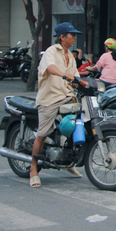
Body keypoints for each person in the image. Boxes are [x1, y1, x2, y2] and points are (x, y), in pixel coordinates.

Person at [30, 22, 83, 188]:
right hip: (50, 98)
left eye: (75, 35)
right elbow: (50, 68)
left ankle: (70, 163)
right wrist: (64, 75)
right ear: (62, 37)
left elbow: (75, 78)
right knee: (43, 133)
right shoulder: (51, 51)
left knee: (78, 123)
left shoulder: (71, 56)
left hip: (67, 97)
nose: (74, 37)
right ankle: (33, 170)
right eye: (71, 35)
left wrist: (87, 83)